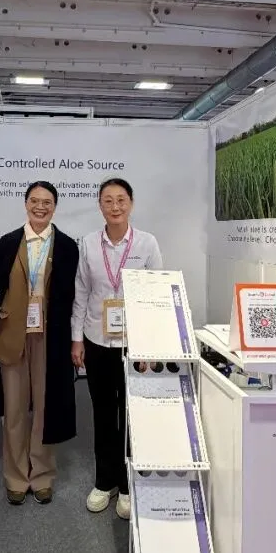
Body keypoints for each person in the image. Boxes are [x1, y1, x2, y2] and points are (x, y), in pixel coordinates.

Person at [0, 181, 79, 506]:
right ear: (25, 204)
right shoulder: (9, 243)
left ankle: (42, 475)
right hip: (11, 334)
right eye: (35, 201)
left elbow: (73, 297)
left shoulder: (66, 246)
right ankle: (16, 476)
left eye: (47, 202)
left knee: (46, 408)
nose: (40, 207)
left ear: (54, 207)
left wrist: (74, 340)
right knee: (14, 409)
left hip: (51, 338)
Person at [71, 178, 163, 520]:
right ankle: (104, 481)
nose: (115, 206)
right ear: (100, 205)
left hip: (132, 343)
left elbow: (155, 295)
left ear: (131, 203)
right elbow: (82, 292)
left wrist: (150, 345)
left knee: (130, 415)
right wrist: (76, 338)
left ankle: (126, 485)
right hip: (96, 340)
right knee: (102, 412)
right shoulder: (88, 244)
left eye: (121, 200)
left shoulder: (147, 243)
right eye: (108, 200)